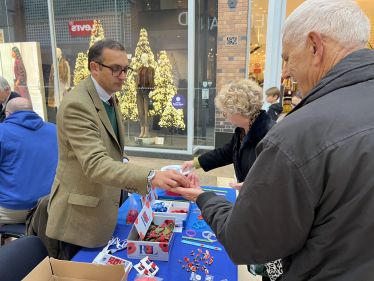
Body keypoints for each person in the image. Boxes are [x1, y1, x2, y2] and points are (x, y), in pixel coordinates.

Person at [172, 0, 374, 280]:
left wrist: (203, 197)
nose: (285, 73)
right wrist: (196, 163)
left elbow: (247, 240)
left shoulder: (294, 134)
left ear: (315, 47)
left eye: (287, 58)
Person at [46, 39, 190, 260]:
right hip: (80, 221)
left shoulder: (110, 97)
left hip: (105, 209)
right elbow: (95, 164)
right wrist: (150, 176)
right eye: (115, 69)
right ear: (94, 67)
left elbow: (110, 151)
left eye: (125, 69)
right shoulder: (77, 104)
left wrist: (131, 166)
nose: (123, 76)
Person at [181, 79, 275, 191]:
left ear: (238, 110)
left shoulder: (270, 134)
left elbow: (276, 174)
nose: (225, 117)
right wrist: (195, 163)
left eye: (226, 112)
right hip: (249, 194)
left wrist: (253, 185)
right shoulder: (242, 130)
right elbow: (225, 153)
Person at [0, 97, 58, 227]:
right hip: (49, 206)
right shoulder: (54, 130)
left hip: (12, 209)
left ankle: (8, 245)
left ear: (7, 114)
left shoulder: (2, 131)